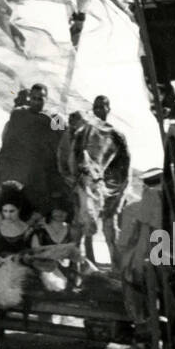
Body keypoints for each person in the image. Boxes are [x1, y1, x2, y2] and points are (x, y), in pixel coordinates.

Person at [73, 96, 131, 266]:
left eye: (102, 107)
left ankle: (116, 267)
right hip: (87, 188)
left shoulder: (116, 135)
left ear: (108, 110)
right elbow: (74, 158)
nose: (99, 111)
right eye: (96, 107)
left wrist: (117, 191)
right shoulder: (84, 134)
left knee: (110, 229)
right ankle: (81, 267)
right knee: (81, 229)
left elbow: (125, 164)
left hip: (109, 189)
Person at [0, 83, 62, 215]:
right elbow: (7, 143)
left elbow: (61, 147)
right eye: (33, 98)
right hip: (16, 172)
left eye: (40, 98)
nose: (36, 101)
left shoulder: (55, 118)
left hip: (39, 174)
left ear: (47, 99)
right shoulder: (18, 114)